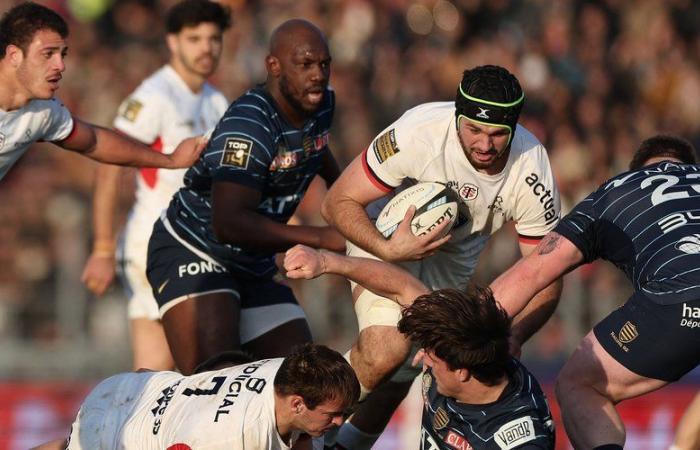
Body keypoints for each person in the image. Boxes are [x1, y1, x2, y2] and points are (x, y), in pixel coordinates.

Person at [319, 64, 562, 448]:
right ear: (457, 116)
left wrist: (513, 336)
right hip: (385, 234)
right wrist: (387, 248)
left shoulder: (531, 167)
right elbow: (337, 203)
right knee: (387, 349)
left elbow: (548, 276)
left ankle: (338, 446)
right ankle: (293, 422)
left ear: (515, 127)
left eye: (498, 133)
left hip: (455, 259)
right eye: (474, 130)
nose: (485, 144)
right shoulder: (419, 133)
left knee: (410, 370)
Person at [145, 19, 344, 375]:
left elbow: (317, 149)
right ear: (273, 66)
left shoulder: (321, 103)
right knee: (216, 379)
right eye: (305, 65)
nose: (317, 74)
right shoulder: (249, 124)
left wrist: (349, 197)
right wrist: (322, 237)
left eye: (324, 64)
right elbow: (229, 223)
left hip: (252, 262)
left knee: (304, 380)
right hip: (195, 248)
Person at [489, 134, 700, 449]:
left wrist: (461, 330)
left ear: (637, 168)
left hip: (680, 300)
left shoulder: (619, 188)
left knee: (580, 384)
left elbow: (533, 272)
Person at [80, 0, 231, 372]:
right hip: (155, 245)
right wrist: (102, 247)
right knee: (165, 371)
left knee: (174, 374)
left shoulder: (217, 101)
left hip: (198, 247)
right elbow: (108, 167)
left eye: (213, 38)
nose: (206, 47)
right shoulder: (154, 96)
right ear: (172, 42)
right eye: (194, 38)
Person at [284, 244, 556, 449]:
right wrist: (324, 261)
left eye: (434, 360)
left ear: (462, 372)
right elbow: (402, 286)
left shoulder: (518, 440)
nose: (423, 358)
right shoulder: (457, 341)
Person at [0, 2, 205, 181]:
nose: (60, 65)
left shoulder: (44, 113)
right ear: (14, 55)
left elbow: (94, 142)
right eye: (48, 54)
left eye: (62, 54)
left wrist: (170, 160)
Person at [32, 343, 359, 450]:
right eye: (333, 414)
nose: (340, 421)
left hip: (136, 388)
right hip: (113, 430)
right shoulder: (231, 439)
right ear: (298, 404)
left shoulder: (289, 370)